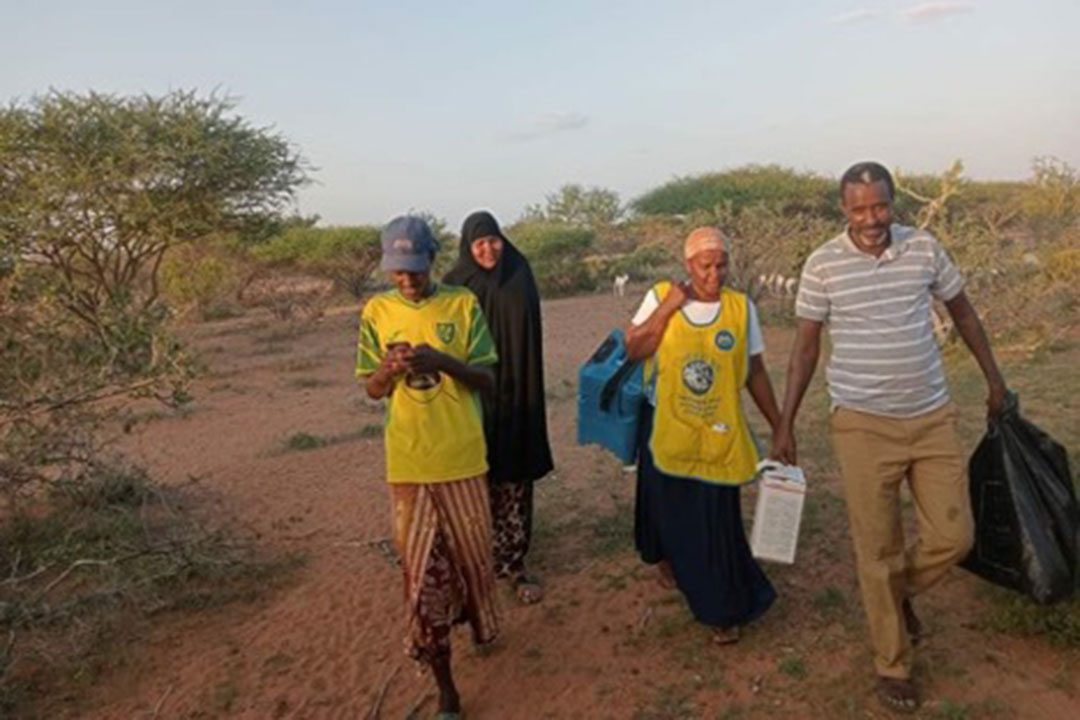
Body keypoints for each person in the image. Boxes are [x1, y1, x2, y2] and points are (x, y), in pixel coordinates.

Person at [772, 161, 1007, 714]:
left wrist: (996, 378)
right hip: (860, 423)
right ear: (843, 209)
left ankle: (894, 591)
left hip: (931, 415)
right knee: (875, 546)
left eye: (879, 206)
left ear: (892, 202)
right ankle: (892, 663)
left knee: (955, 535)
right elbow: (806, 348)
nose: (870, 219)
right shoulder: (823, 264)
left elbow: (965, 314)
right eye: (858, 209)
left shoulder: (923, 248)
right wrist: (785, 422)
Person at [356, 215, 501, 720]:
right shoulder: (376, 311)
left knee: (473, 566)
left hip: (462, 459)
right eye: (398, 271)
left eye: (415, 269)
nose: (408, 281)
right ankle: (447, 691)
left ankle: (479, 626)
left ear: (431, 261)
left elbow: (487, 378)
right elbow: (371, 390)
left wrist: (443, 361)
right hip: (409, 467)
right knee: (421, 580)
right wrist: (388, 371)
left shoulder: (461, 305)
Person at [626, 226, 781, 645]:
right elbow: (634, 348)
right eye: (705, 265)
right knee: (675, 515)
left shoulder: (739, 307)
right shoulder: (661, 297)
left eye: (722, 264)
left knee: (715, 521)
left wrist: (780, 424)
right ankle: (675, 565)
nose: (714, 274)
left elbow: (756, 371)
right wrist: (667, 310)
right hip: (667, 432)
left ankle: (719, 608)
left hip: (719, 436)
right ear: (687, 265)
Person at [444, 211, 554, 604]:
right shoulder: (455, 285)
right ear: (467, 247)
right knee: (474, 477)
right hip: (473, 394)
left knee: (514, 475)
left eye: (493, 240)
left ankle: (513, 562)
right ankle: (474, 560)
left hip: (517, 388)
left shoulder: (519, 274)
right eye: (479, 243)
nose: (488, 249)